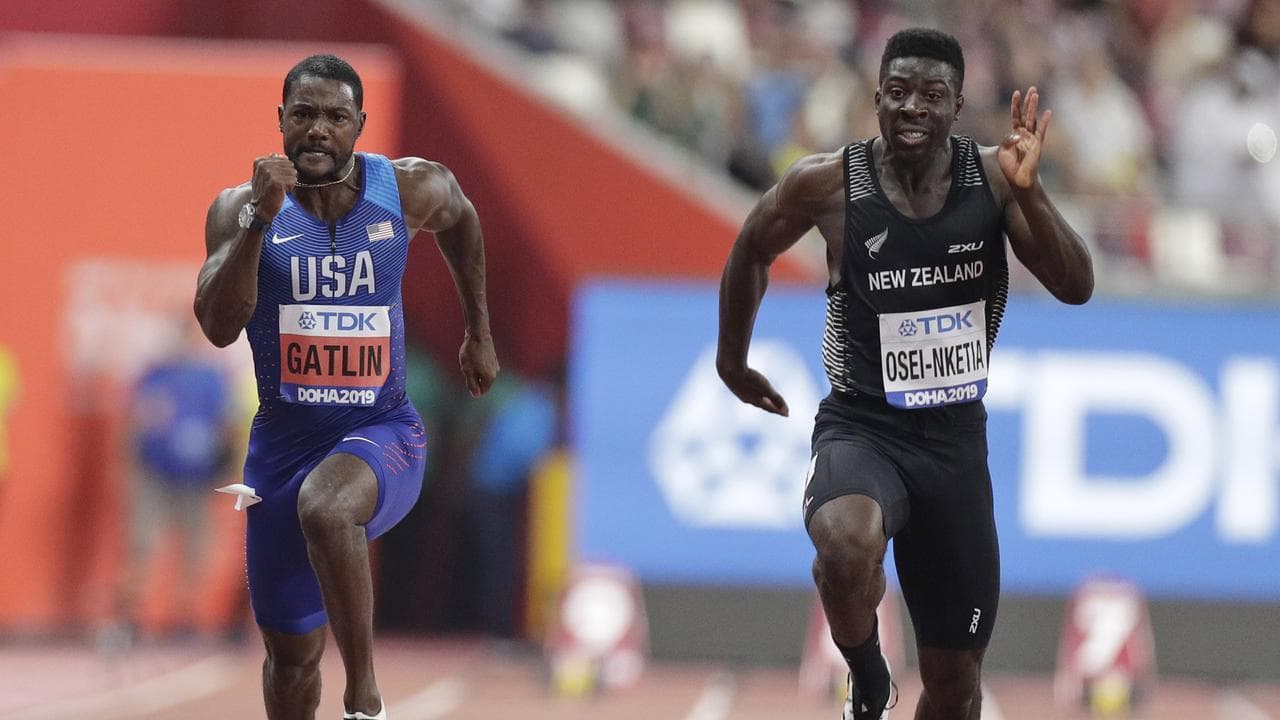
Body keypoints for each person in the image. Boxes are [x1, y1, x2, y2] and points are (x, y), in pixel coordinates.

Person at [716, 29, 1093, 720]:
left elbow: (1076, 285)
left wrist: (1031, 193)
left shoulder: (997, 179)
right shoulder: (828, 182)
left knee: (954, 692)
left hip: (953, 445)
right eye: (897, 92)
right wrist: (731, 360)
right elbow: (750, 248)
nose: (911, 107)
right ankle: (866, 677)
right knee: (843, 540)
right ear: (877, 98)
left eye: (931, 95)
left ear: (956, 105)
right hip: (863, 427)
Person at [194, 54, 498, 720]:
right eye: (303, 115)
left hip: (385, 433)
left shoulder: (407, 189)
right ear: (280, 121)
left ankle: (364, 698)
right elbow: (218, 327)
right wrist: (256, 225)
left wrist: (478, 330)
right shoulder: (237, 209)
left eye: (336, 117)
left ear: (360, 124)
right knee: (290, 660)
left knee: (329, 506)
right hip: (280, 451)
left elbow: (463, 218)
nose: (318, 132)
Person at [108, 316, 237, 647]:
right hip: (155, 473)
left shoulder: (213, 378)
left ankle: (185, 618)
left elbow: (227, 427)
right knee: (142, 546)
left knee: (196, 550)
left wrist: (226, 469)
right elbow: (133, 422)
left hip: (196, 477)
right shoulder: (155, 374)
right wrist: (125, 467)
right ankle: (128, 620)